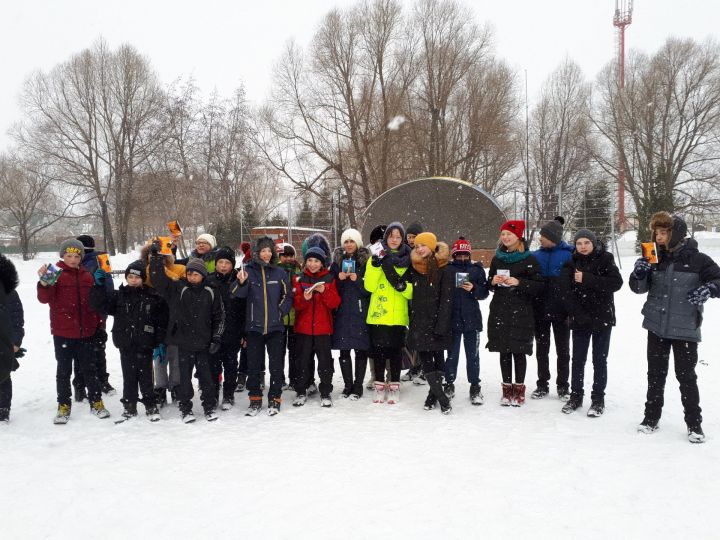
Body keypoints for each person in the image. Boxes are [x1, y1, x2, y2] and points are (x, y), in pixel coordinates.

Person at [630, 212, 720, 443]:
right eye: (656, 233)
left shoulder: (698, 260)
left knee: (686, 376)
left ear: (675, 233)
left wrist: (708, 289)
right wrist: (639, 274)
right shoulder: (653, 256)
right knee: (655, 375)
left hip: (685, 328)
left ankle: (694, 425)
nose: (658, 238)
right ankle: (651, 418)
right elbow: (638, 289)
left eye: (663, 233)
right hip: (656, 326)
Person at [37, 239, 110, 423]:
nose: (73, 259)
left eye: (77, 256)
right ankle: (63, 405)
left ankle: (96, 401)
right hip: (63, 332)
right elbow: (43, 298)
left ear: (81, 257)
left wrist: (98, 325)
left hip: (86, 333)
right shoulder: (54, 272)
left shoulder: (87, 275)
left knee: (90, 369)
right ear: (62, 256)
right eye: (69, 255)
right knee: (63, 371)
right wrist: (44, 283)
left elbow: (93, 304)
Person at [149, 250, 225, 423]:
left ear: (203, 275)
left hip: (205, 344)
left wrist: (216, 338)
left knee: (207, 378)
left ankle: (209, 406)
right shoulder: (179, 288)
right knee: (184, 379)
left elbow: (219, 316)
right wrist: (155, 259)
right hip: (183, 343)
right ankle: (186, 408)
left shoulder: (211, 291)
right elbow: (159, 281)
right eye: (189, 273)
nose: (191, 277)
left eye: (195, 274)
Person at [90, 260, 168, 422]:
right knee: (129, 377)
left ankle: (150, 404)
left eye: (137, 277)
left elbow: (161, 321)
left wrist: (160, 341)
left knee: (146, 377)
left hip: (145, 343)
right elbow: (99, 306)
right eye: (130, 276)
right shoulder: (119, 296)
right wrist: (98, 286)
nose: (133, 279)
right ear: (126, 278)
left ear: (143, 279)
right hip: (125, 343)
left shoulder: (152, 296)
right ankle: (129, 406)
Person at [559, 229, 622, 417]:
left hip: (602, 318)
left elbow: (616, 283)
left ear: (593, 243)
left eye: (586, 242)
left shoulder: (605, 259)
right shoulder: (571, 262)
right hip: (580, 319)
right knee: (578, 359)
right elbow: (565, 292)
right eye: (579, 243)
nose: (583, 247)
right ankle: (576, 396)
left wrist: (588, 279)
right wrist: (577, 313)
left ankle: (598, 399)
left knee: (599, 360)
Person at [486, 220, 543, 407]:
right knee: (504, 350)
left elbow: (539, 286)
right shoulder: (497, 258)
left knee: (519, 351)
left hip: (522, 311)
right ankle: (506, 389)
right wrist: (492, 281)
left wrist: (519, 283)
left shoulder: (529, 259)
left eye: (509, 234)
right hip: (501, 310)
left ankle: (519, 389)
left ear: (518, 236)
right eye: (503, 234)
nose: (505, 237)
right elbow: (489, 285)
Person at [234, 237, 293, 416]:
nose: (266, 254)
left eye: (269, 250)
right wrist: (241, 282)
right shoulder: (247, 271)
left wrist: (280, 312)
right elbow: (238, 295)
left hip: (275, 328)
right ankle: (255, 400)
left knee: (276, 366)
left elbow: (287, 295)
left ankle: (275, 399)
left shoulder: (279, 272)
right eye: (263, 251)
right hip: (254, 328)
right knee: (253, 366)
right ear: (257, 252)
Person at [365, 222, 413, 403]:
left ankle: (394, 385)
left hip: (398, 316)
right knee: (378, 352)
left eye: (398, 236)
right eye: (391, 236)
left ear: (402, 239)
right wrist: (376, 266)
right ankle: (378, 386)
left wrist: (403, 287)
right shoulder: (375, 258)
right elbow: (369, 286)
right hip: (378, 313)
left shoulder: (409, 260)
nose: (394, 239)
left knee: (395, 353)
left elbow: (412, 291)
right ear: (386, 238)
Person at [406, 232, 454, 414]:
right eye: (416, 246)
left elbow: (446, 300)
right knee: (426, 359)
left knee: (439, 358)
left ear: (432, 247)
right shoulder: (414, 268)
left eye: (423, 245)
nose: (419, 249)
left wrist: (441, 325)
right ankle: (442, 398)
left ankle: (432, 395)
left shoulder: (444, 269)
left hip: (438, 322)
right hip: (420, 321)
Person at [530, 218, 573, 401]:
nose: (540, 239)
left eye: (543, 236)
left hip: (562, 312)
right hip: (540, 310)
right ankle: (542, 384)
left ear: (552, 237)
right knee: (542, 349)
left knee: (563, 351)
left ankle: (563, 386)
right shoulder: (536, 255)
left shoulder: (569, 254)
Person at [139, 239, 186, 408]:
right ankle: (160, 387)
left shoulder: (179, 269)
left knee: (175, 357)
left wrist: (168, 274)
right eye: (153, 256)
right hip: (154, 318)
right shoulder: (144, 271)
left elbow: (182, 286)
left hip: (174, 317)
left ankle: (176, 385)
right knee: (159, 358)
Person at [292, 246, 341, 407]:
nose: (313, 264)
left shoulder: (329, 278)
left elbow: (334, 303)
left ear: (322, 263)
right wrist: (304, 299)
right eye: (310, 260)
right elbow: (296, 305)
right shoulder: (299, 278)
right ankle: (301, 390)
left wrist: (324, 291)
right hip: (303, 329)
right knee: (303, 360)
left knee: (325, 362)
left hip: (323, 328)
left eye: (316, 261)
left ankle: (325, 392)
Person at [444, 237, 488, 405]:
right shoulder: (447, 270)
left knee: (473, 355)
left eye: (465, 255)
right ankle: (449, 383)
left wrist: (474, 288)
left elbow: (484, 293)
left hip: (472, 320)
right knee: (452, 355)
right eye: (459, 255)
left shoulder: (476, 270)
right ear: (454, 255)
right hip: (452, 319)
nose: (462, 258)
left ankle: (475, 385)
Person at [330, 228, 371, 399]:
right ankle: (348, 385)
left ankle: (358, 386)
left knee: (361, 349)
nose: (348, 245)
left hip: (360, 312)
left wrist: (358, 280)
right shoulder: (336, 264)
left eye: (351, 241)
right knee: (344, 350)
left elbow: (369, 289)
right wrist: (338, 280)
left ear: (358, 243)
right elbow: (331, 291)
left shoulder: (366, 262)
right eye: (346, 241)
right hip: (342, 313)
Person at [75, 234, 116, 399]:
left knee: (91, 349)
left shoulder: (99, 261)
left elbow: (108, 287)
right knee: (94, 349)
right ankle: (89, 382)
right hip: (83, 314)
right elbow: (109, 287)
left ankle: (89, 382)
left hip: (94, 313)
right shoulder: (70, 263)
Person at [206, 247, 246, 411]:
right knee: (213, 366)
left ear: (232, 265)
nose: (223, 266)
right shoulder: (207, 281)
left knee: (231, 366)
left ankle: (228, 395)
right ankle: (214, 393)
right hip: (213, 332)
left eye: (227, 263)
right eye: (220, 262)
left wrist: (244, 333)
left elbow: (244, 309)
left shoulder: (238, 282)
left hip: (233, 331)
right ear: (215, 264)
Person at [0, 252, 24, 424]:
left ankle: (3, 409)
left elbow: (17, 318)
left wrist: (15, 341)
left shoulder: (8, 292)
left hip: (4, 342)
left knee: (3, 375)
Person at [402, 222, 425, 383]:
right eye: (409, 237)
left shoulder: (424, 253)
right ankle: (414, 366)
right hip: (407, 297)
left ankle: (425, 367)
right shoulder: (404, 253)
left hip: (422, 299)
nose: (411, 240)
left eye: (414, 237)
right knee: (411, 336)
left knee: (423, 335)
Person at [277, 243, 301, 391]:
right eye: (284, 255)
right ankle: (279, 379)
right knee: (278, 351)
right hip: (279, 316)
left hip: (295, 317)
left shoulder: (299, 270)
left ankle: (294, 378)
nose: (287, 258)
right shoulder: (275, 271)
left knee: (294, 351)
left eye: (290, 255)